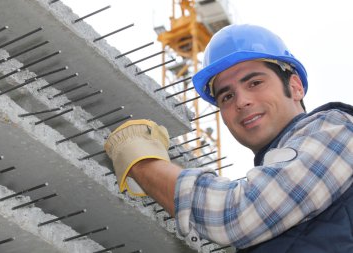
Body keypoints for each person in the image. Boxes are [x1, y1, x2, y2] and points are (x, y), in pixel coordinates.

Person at [104, 24, 353, 252]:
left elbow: (235, 215)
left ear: (296, 86)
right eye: (226, 97)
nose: (242, 101)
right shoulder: (271, 182)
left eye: (255, 83)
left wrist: (139, 159)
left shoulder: (338, 129)